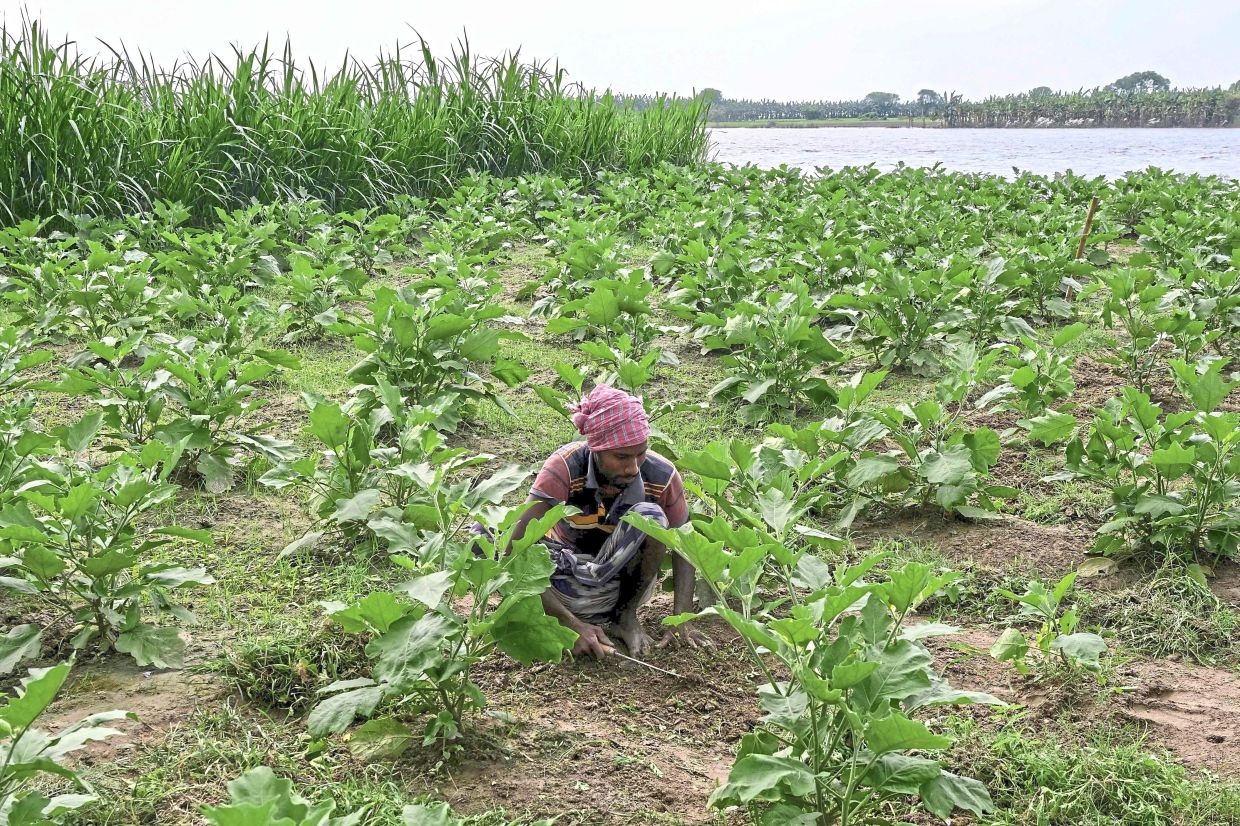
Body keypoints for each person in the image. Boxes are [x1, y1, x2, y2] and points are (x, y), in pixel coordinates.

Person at [508, 385, 710, 659]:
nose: (633, 467)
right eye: (621, 457)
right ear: (596, 450)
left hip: (621, 586)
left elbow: (685, 547)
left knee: (651, 517)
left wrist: (682, 619)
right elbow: (513, 550)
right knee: (486, 533)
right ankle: (570, 616)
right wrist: (569, 623)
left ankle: (624, 617)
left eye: (640, 453)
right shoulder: (564, 467)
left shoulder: (662, 475)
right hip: (565, 580)